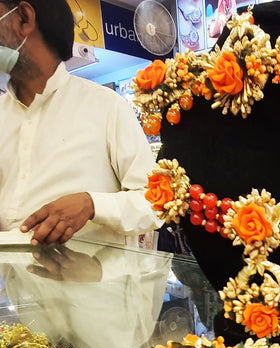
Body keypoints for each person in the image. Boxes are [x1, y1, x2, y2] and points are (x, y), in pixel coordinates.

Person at [0, 0, 162, 247]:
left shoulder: (106, 107)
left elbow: (155, 205)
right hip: (10, 282)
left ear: (24, 18)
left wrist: (92, 204)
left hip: (90, 283)